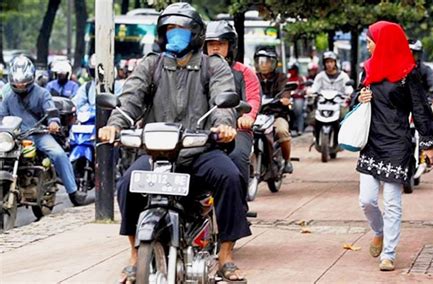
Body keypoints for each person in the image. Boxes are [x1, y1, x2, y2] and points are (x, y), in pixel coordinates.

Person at [97, 3, 250, 283]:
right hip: (157, 154)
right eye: (169, 29)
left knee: (231, 177)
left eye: (180, 29)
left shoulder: (212, 65)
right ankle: (134, 255)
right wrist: (113, 125)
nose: (174, 34)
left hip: (199, 151)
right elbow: (131, 99)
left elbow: (223, 98)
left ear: (195, 33)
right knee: (127, 184)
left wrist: (224, 124)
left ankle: (226, 255)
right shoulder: (151, 64)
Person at [354, 21, 433, 271]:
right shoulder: (367, 69)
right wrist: (360, 97)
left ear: (384, 42)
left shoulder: (407, 72)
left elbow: (420, 109)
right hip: (371, 142)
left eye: (371, 40)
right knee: (366, 201)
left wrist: (428, 142)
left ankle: (388, 253)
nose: (368, 45)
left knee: (392, 202)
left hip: (397, 144)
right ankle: (378, 231)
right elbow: (356, 99)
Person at [0, 55, 86, 206]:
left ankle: (73, 192)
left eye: (23, 84)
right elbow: (2, 117)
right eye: (17, 84)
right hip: (15, 137)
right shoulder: (7, 97)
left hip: (38, 134)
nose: (20, 87)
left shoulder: (42, 93)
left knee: (59, 154)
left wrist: (53, 122)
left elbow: (51, 110)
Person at [204, 20, 261, 202]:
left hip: (237, 129)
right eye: (211, 44)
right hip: (202, 129)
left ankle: (238, 205)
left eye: (220, 44)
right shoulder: (197, 70)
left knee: (237, 157)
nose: (215, 49)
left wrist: (248, 116)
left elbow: (253, 98)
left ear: (231, 46)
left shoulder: (244, 72)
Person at [254, 47, 294, 173]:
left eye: (267, 61)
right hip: (257, 115)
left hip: (276, 115)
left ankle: (287, 160)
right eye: (261, 61)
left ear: (273, 63)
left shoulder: (281, 77)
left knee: (282, 131)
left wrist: (285, 98)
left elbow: (286, 91)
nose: (263, 64)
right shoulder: (253, 77)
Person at [409, 39, 433, 168]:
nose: (411, 56)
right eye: (408, 53)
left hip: (422, 105)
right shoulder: (396, 69)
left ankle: (432, 151)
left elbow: (432, 82)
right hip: (401, 108)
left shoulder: (424, 69)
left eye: (414, 53)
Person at [288, 62, 307, 135]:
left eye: (293, 69)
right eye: (290, 70)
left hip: (299, 98)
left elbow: (304, 88)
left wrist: (300, 92)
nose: (291, 71)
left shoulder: (301, 78)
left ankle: (300, 129)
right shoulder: (287, 79)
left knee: (299, 110)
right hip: (290, 98)